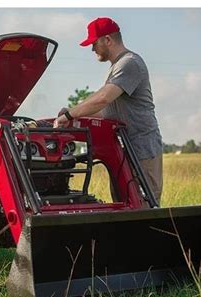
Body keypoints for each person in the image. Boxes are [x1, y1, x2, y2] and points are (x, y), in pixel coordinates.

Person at [53, 17, 163, 205]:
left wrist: (71, 114)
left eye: (94, 43)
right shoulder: (117, 67)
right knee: (124, 207)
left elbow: (103, 98)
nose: (92, 49)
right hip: (125, 151)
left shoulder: (129, 63)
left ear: (108, 40)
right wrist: (73, 113)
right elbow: (106, 112)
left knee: (143, 208)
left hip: (142, 150)